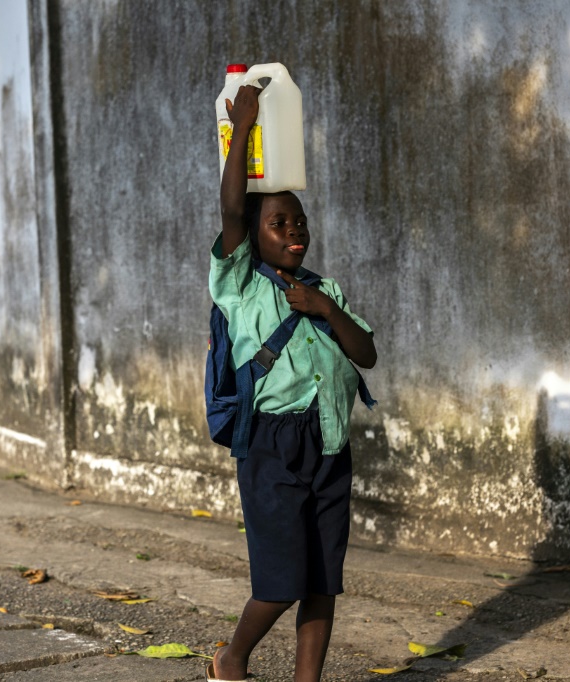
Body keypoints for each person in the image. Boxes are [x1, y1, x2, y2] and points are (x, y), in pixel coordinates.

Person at [207, 85, 377, 682]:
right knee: (281, 581)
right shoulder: (242, 285)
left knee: (323, 581)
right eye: (278, 223)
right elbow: (232, 209)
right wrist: (246, 124)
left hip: (330, 443)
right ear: (255, 236)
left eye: (299, 221)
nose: (294, 230)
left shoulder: (325, 291)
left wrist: (325, 310)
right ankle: (231, 658)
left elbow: (368, 353)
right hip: (273, 446)